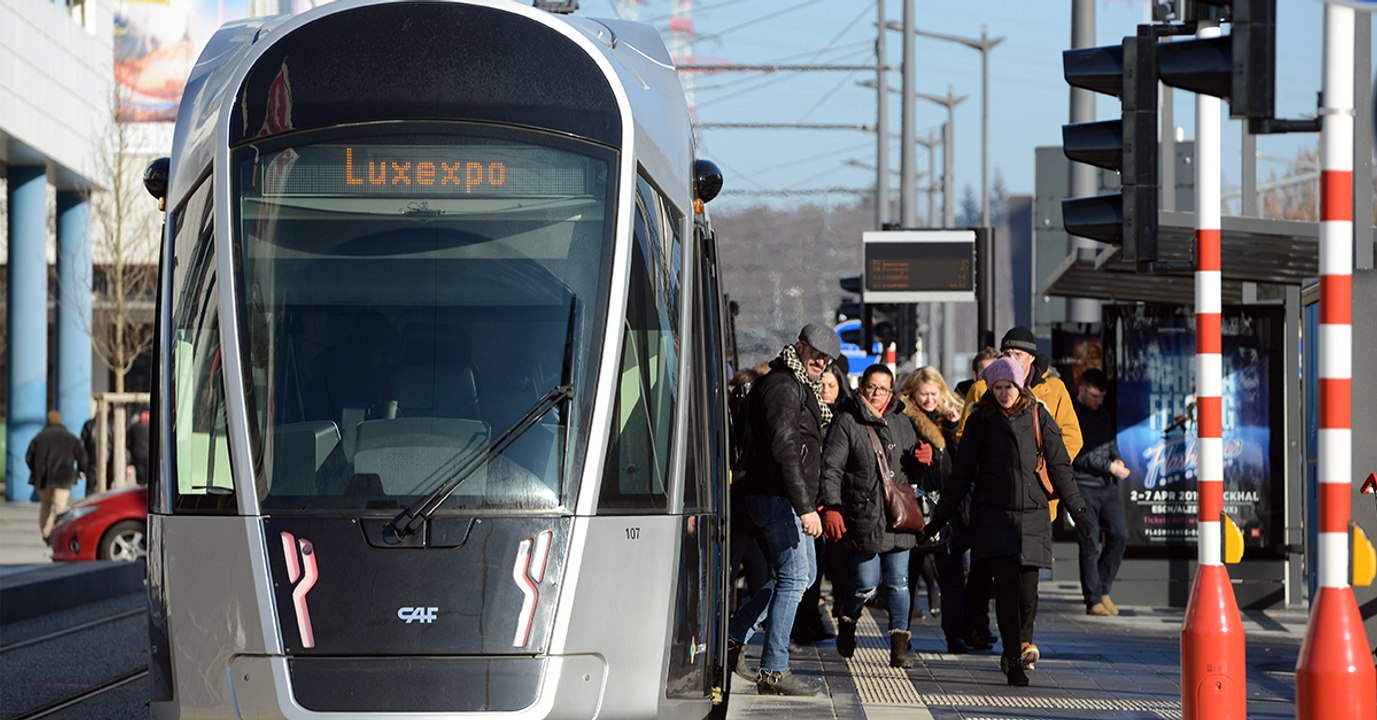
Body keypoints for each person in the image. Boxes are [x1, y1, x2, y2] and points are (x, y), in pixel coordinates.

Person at [923, 358, 1096, 686]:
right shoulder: (980, 421)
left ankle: (1021, 640)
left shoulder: (1038, 415)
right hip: (994, 515)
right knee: (1006, 587)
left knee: (1028, 592)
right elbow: (960, 476)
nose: (1004, 393)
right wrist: (937, 520)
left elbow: (1060, 467)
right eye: (998, 387)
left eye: (1010, 387)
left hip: (1033, 514)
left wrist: (1080, 512)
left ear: (1021, 387)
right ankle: (1013, 656)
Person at [725, 323, 839, 696]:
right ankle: (773, 669)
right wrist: (806, 507)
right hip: (778, 496)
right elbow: (785, 448)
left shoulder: (797, 386)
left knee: (801, 577)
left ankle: (734, 636)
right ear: (800, 347)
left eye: (827, 359)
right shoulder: (784, 386)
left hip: (784, 495)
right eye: (816, 354)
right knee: (793, 578)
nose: (821, 362)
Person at [819, 364, 922, 669]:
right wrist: (833, 507)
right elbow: (831, 469)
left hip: (899, 516)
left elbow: (910, 470)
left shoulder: (903, 422)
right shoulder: (847, 421)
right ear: (861, 386)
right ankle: (848, 620)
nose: (877, 394)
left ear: (892, 392)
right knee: (866, 584)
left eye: (883, 388)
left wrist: (924, 461)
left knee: (899, 584)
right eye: (872, 387)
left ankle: (900, 646)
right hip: (863, 515)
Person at [899, 365, 968, 653]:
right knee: (907, 577)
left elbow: (962, 461)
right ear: (912, 393)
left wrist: (952, 430)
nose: (928, 399)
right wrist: (916, 458)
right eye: (923, 394)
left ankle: (955, 634)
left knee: (951, 577)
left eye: (933, 393)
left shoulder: (951, 418)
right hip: (914, 507)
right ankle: (901, 635)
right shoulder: (903, 418)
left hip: (946, 508)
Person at [1071, 368, 1131, 617]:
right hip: (1083, 486)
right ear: (1083, 389)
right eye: (1094, 396)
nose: (1098, 401)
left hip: (1107, 486)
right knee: (1089, 543)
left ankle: (1103, 588)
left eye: (1101, 397)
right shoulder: (1073, 414)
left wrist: (1117, 460)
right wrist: (1109, 466)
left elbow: (1110, 442)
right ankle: (1093, 599)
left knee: (1120, 534)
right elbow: (1078, 454)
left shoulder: (1103, 413)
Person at [26, 411, 89, 543]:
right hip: (64, 477)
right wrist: (81, 470)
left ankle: (46, 533)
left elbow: (29, 457)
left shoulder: (39, 437)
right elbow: (82, 456)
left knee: (45, 506)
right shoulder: (70, 437)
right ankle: (59, 534)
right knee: (60, 507)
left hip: (43, 479)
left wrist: (36, 471)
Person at [126, 407, 151, 486]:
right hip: (140, 458)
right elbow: (128, 443)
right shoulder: (134, 427)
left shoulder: (151, 427)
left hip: (144, 458)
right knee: (142, 479)